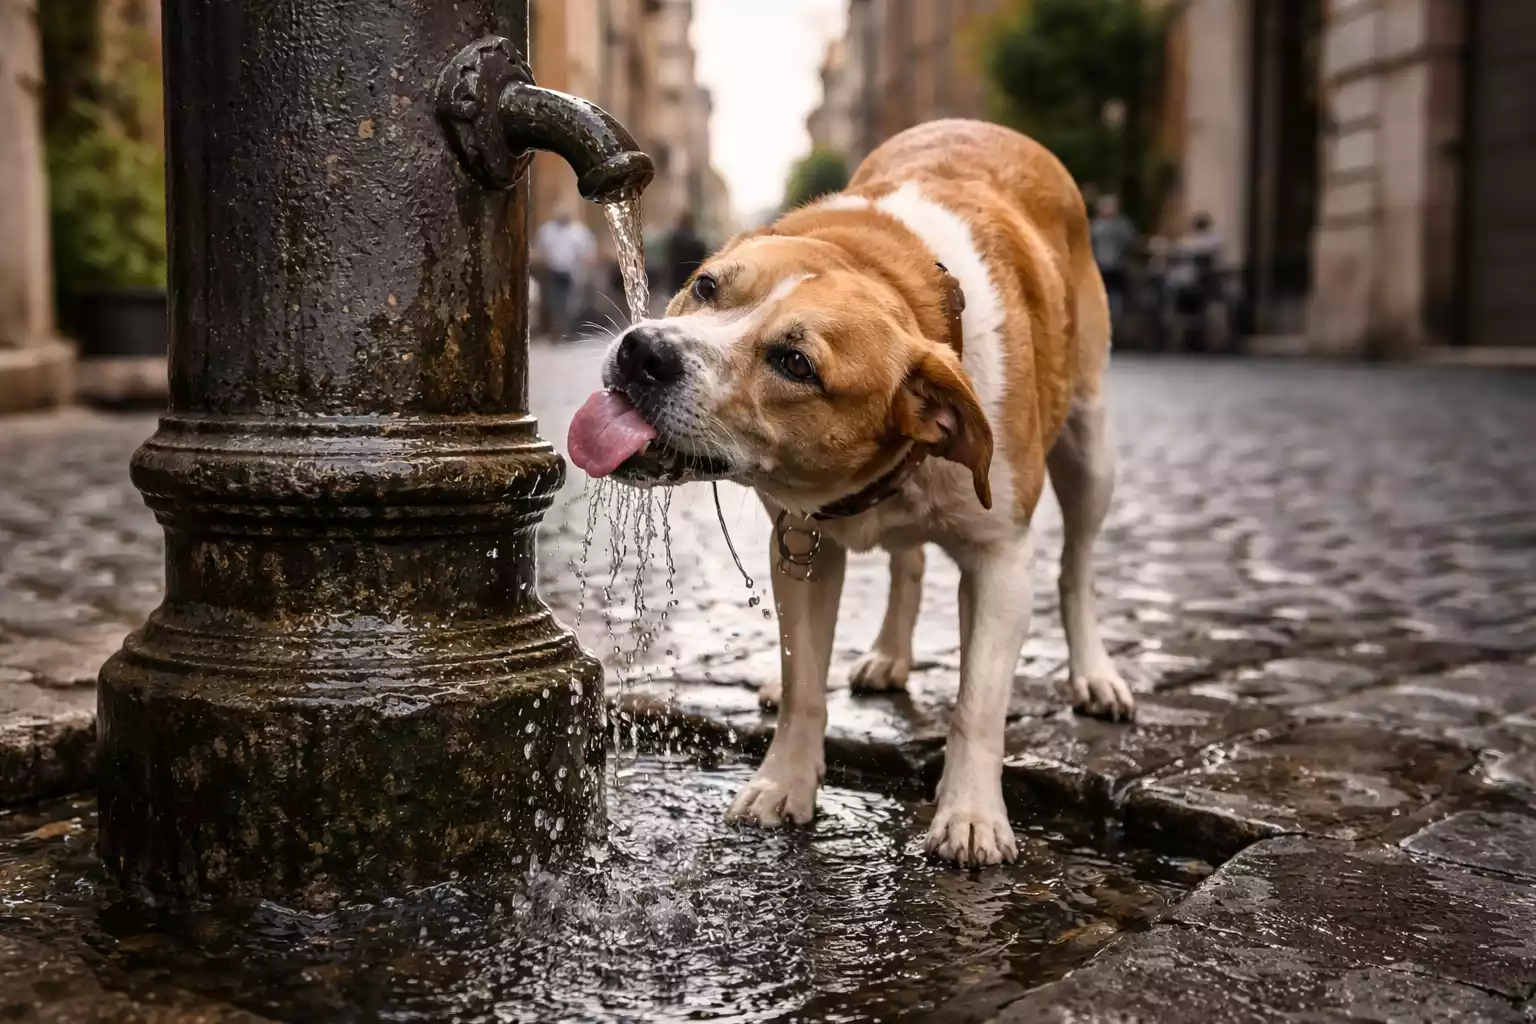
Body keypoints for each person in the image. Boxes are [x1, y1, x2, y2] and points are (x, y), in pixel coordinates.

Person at [1164, 212, 1224, 352]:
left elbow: (1199, 249)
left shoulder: (1209, 240)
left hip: (1201, 285)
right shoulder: (1189, 241)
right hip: (1186, 285)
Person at [533, 207, 596, 340]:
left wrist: (585, 263)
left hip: (572, 271)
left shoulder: (579, 231)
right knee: (555, 302)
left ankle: (568, 330)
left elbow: (588, 250)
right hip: (554, 270)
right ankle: (557, 331)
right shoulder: (547, 230)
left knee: (572, 302)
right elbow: (540, 248)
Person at [1089, 194, 1137, 325]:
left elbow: (1090, 245)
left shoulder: (1096, 226)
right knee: (1118, 295)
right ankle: (1117, 321)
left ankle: (1104, 320)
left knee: (1104, 294)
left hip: (1102, 266)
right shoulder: (1123, 225)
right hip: (1118, 266)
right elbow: (1130, 243)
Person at [664, 211, 709, 298]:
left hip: (677, 278)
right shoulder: (697, 242)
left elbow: (669, 260)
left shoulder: (674, 240)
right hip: (691, 278)